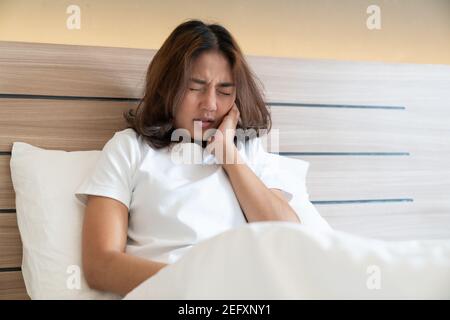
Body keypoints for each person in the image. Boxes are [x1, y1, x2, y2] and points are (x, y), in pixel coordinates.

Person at [75, 19, 300, 297]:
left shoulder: (247, 151)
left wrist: (227, 153)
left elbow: (291, 238)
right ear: (167, 87)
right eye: (196, 87)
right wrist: (194, 282)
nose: (210, 104)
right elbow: (101, 265)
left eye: (224, 91)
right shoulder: (130, 149)